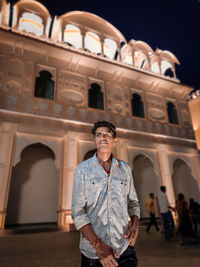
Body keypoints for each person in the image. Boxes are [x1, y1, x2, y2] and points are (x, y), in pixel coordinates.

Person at [72, 120, 140, 267]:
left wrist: (135, 225)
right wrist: (98, 245)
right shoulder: (83, 170)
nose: (102, 137)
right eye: (98, 134)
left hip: (124, 248)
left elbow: (133, 202)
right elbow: (77, 212)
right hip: (95, 253)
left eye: (107, 135)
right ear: (95, 139)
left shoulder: (125, 169)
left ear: (114, 140)